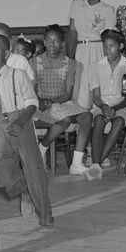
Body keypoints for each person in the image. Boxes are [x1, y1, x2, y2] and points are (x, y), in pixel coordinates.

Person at [0, 34, 53, 227]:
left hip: (21, 122)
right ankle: (26, 190)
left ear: (6, 54)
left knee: (33, 170)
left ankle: (45, 214)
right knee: (0, 174)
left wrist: (20, 122)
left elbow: (32, 102)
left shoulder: (17, 74)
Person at [33, 24, 92, 175]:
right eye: (49, 40)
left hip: (62, 102)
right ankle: (42, 147)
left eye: (56, 41)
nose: (52, 44)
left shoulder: (69, 64)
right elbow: (31, 90)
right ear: (44, 42)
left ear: (62, 43)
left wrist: (52, 101)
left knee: (87, 116)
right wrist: (41, 101)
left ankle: (76, 164)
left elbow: (68, 93)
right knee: (65, 120)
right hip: (40, 105)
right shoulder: (34, 62)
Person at [66, 0, 117, 110]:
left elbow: (109, 37)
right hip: (81, 49)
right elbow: (72, 31)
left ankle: (101, 125)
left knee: (99, 87)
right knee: (80, 87)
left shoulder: (108, 10)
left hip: (99, 49)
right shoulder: (77, 5)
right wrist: (70, 56)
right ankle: (80, 125)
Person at [86, 29, 126, 178]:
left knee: (118, 121)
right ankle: (97, 164)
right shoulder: (96, 66)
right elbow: (96, 96)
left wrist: (115, 108)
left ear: (121, 46)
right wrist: (103, 106)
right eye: (105, 46)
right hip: (101, 106)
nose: (107, 50)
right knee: (98, 120)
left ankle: (95, 164)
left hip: (122, 106)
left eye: (111, 46)